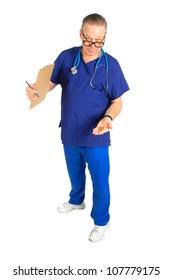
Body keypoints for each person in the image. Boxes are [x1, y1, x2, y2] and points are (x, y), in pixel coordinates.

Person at [26, 13, 129, 242]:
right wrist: (35, 90)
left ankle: (101, 220)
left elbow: (117, 101)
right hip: (70, 132)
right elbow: (48, 84)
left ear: (105, 37)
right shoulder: (66, 57)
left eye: (99, 40)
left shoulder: (111, 66)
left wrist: (108, 118)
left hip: (96, 136)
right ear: (80, 34)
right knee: (74, 173)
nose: (93, 45)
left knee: (100, 181)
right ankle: (76, 201)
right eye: (88, 39)